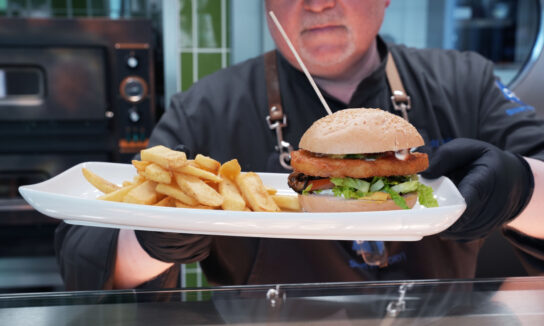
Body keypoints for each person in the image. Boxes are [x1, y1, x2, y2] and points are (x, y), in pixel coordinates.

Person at [55, 0, 544, 290]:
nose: (317, 2)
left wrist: (522, 187)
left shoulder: (467, 81)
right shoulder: (204, 107)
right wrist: (153, 235)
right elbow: (83, 255)